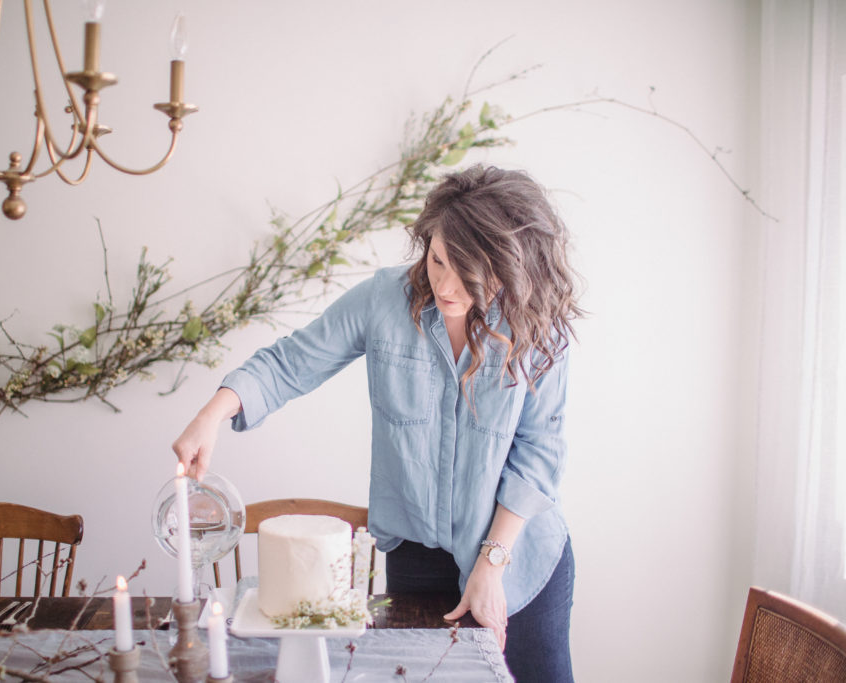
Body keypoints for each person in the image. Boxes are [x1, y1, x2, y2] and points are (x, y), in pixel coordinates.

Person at [172, 164, 582, 682]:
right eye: (438, 259)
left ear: (507, 266)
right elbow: (290, 362)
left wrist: (491, 565)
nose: (446, 285)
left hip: (518, 554)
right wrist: (213, 413)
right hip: (415, 558)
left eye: (468, 273)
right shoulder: (383, 300)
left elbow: (539, 453)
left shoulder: (538, 324)